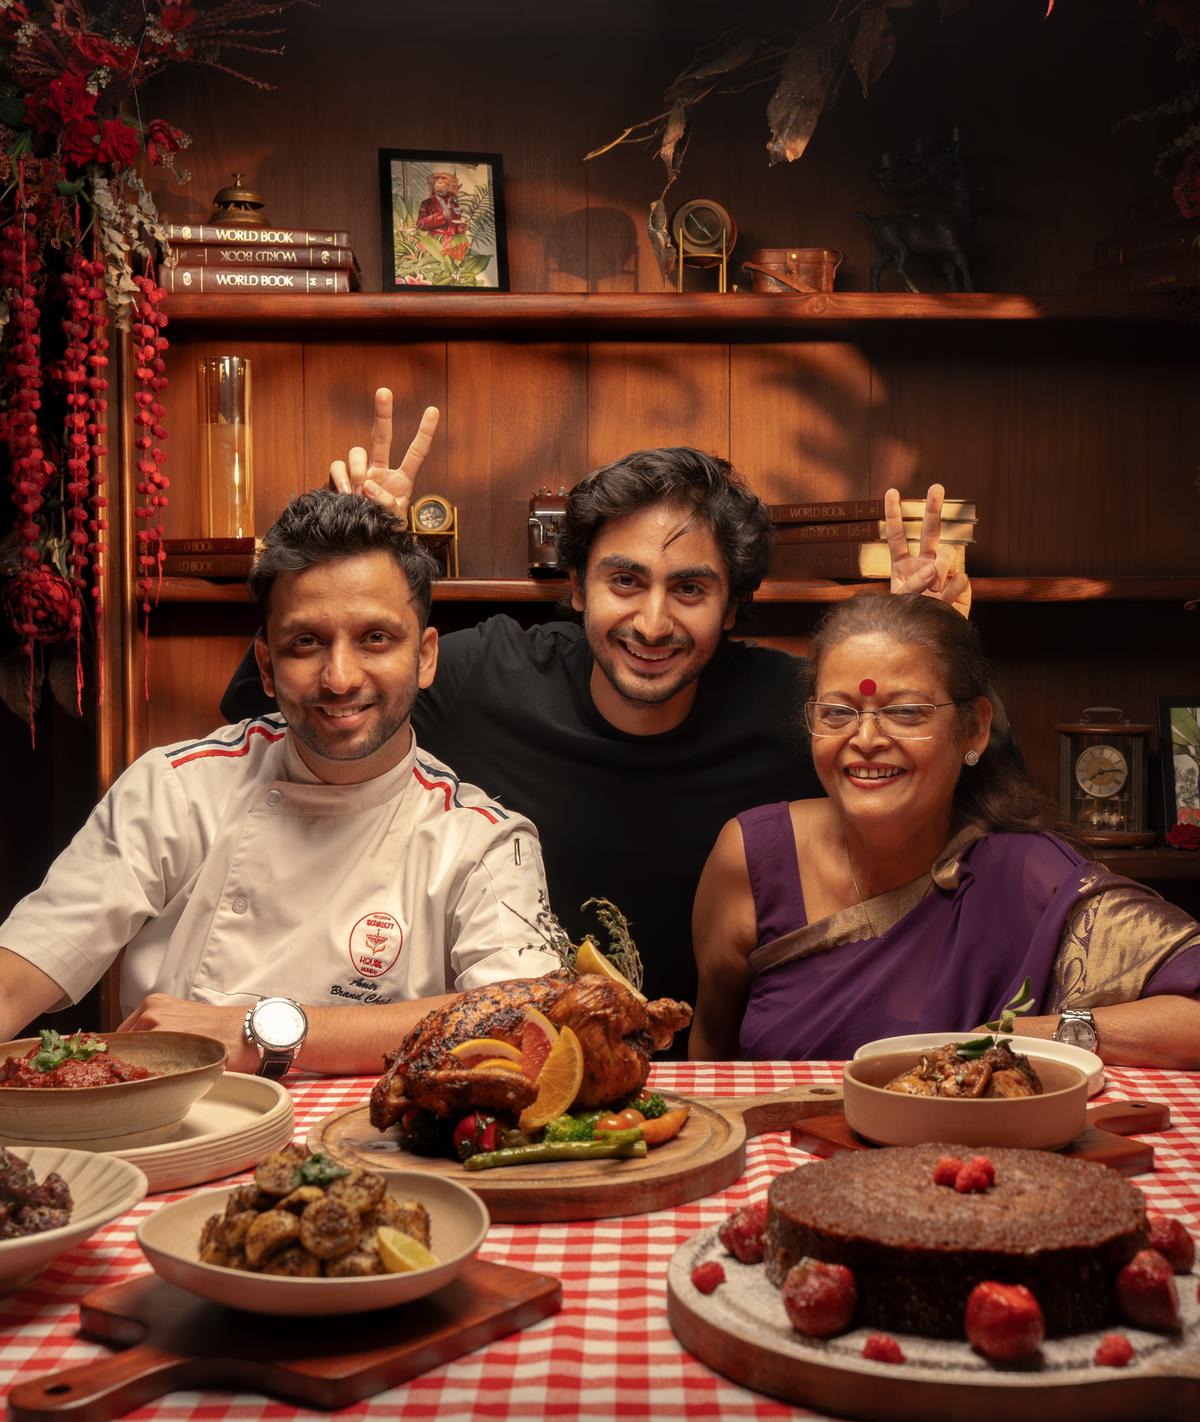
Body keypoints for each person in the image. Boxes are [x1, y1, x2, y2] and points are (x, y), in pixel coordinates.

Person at [221, 391, 975, 1040]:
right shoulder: (490, 671)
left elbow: (972, 790)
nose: (651, 623)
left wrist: (933, 653)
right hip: (515, 1056)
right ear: (577, 587)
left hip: (716, 1061)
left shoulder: (798, 706)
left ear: (733, 609)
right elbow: (264, 712)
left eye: (689, 590)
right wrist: (348, 568)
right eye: (624, 581)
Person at [0, 490, 559, 1072]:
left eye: (375, 638)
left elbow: (524, 1017)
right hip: (179, 1130)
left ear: (424, 657)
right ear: (266, 666)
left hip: (377, 1148)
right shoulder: (173, 789)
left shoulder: (485, 840)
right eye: (306, 643)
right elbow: (18, 975)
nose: (340, 679)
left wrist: (254, 1030)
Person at [689, 591, 1200, 1067]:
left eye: (907, 712)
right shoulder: (753, 857)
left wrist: (1026, 1037)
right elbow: (711, 1046)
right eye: (838, 712)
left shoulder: (1026, 873)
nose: (865, 739)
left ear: (974, 728)